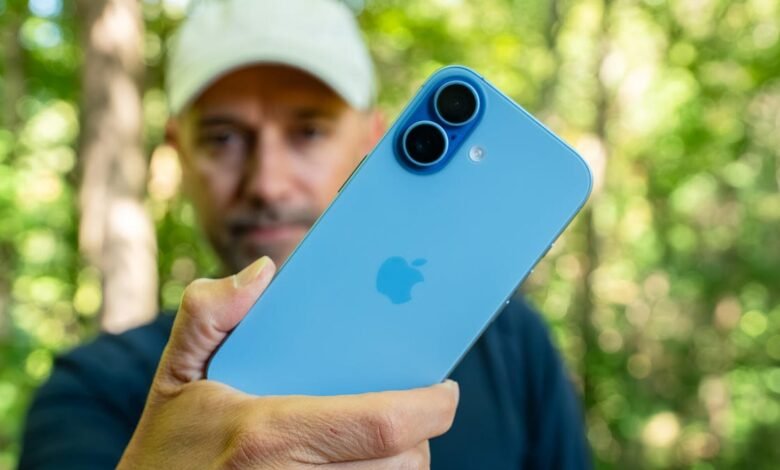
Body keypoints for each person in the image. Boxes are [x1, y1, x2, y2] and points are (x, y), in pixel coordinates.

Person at [20, 0, 590, 468]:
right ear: (177, 152)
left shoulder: (513, 350)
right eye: (222, 137)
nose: (267, 183)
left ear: (371, 138)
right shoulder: (91, 390)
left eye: (309, 132)